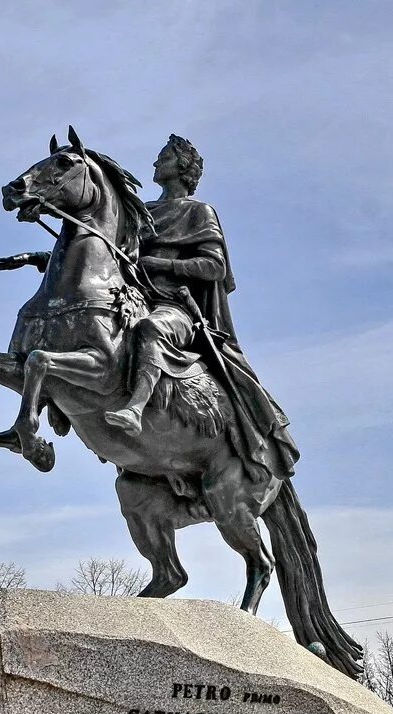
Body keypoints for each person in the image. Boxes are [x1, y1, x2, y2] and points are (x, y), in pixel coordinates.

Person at [102, 135, 299, 480]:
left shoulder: (198, 212)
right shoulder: (142, 212)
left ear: (181, 168)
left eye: (162, 158)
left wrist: (162, 265)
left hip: (174, 307)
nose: (154, 164)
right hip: (134, 300)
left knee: (150, 330)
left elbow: (214, 267)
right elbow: (111, 257)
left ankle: (134, 409)